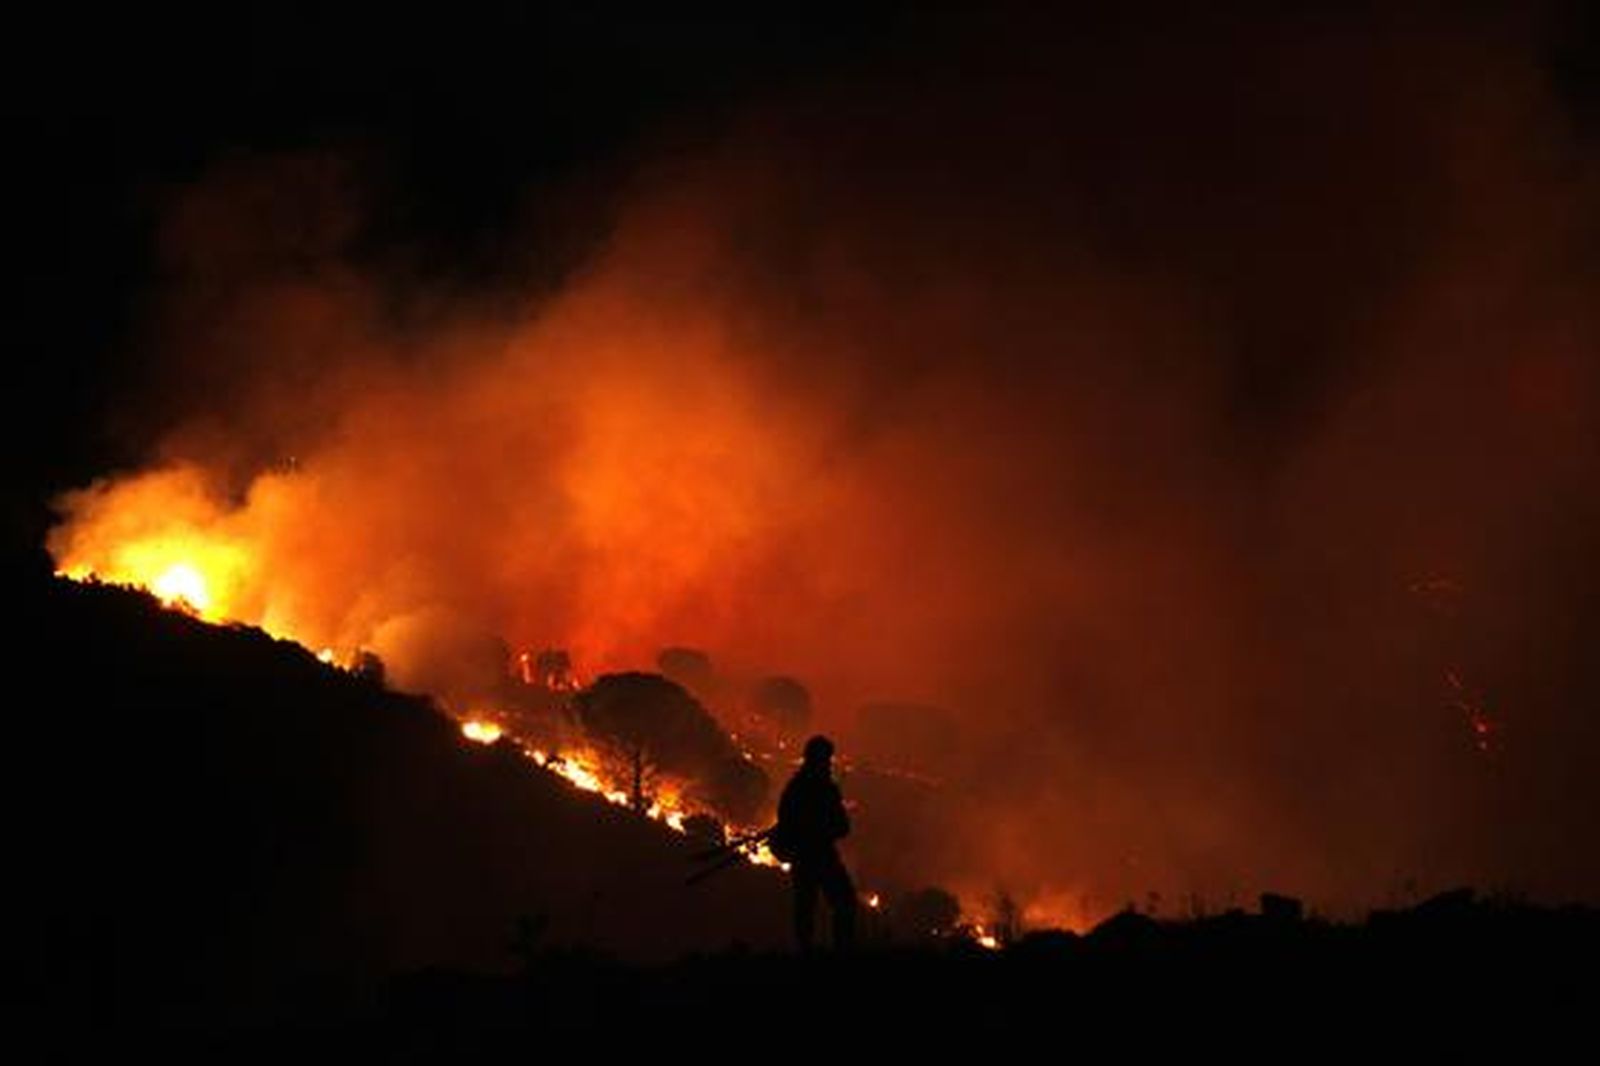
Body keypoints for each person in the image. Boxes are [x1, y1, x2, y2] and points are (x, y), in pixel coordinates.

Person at [773, 734, 857, 950]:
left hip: (802, 858)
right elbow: (842, 827)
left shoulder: (794, 788)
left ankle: (806, 953)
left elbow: (785, 821)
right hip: (822, 856)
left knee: (805, 908)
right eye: (827, 759)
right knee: (844, 903)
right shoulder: (826, 789)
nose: (829, 764)